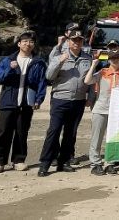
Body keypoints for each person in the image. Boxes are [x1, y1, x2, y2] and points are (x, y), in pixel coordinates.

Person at [38, 27, 94, 177]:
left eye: (79, 40)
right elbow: (49, 76)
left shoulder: (87, 59)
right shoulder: (59, 56)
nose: (76, 43)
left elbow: (90, 80)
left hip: (78, 100)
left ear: (82, 42)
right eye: (74, 40)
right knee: (54, 131)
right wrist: (59, 62)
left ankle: (63, 162)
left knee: (71, 133)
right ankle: (45, 163)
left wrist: (90, 97)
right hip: (60, 99)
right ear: (68, 41)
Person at [0, 31, 47, 174]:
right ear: (19, 44)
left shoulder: (38, 62)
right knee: (3, 132)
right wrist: (10, 68)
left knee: (22, 132)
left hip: (27, 102)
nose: (28, 44)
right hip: (8, 100)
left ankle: (18, 160)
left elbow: (41, 82)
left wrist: (39, 99)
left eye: (31, 42)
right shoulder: (7, 60)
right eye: (25, 41)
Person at [84, 48, 119, 175]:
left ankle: (110, 163)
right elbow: (87, 81)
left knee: (112, 139)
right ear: (109, 59)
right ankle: (95, 164)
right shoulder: (102, 72)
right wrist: (93, 65)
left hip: (116, 111)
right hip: (100, 109)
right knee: (97, 138)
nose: (115, 60)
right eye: (112, 58)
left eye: (117, 57)